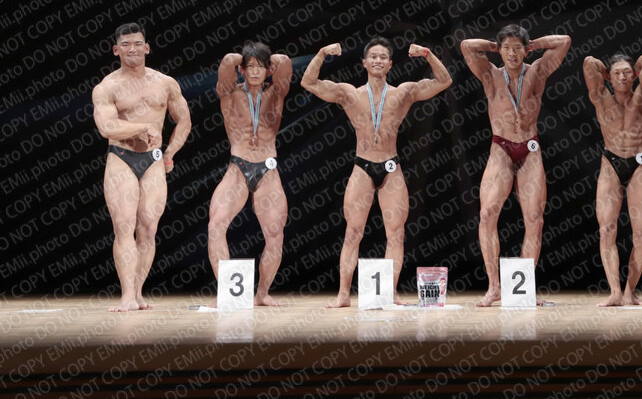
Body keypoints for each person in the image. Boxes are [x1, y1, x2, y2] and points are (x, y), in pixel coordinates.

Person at [301, 37, 452, 308]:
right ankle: (343, 295)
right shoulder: (349, 93)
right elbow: (308, 82)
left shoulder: (403, 92)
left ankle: (390, 293)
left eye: (383, 57)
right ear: (364, 63)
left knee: (396, 234)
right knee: (352, 232)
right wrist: (322, 53)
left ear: (390, 64)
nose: (378, 60)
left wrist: (428, 54)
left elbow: (444, 81)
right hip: (362, 166)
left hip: (391, 166)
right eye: (373, 56)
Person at [461, 25, 571, 307]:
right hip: (501, 147)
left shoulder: (537, 71)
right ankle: (494, 287)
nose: (512, 53)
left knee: (535, 220)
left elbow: (564, 41)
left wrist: (533, 43)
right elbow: (466, 46)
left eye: (517, 48)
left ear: (526, 50)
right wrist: (495, 46)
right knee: (487, 214)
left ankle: (524, 288)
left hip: (529, 147)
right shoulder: (490, 74)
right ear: (500, 50)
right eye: (507, 48)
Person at [92, 23, 191, 312]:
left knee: (148, 229)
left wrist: (170, 152)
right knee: (124, 226)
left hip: (154, 160)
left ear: (147, 47)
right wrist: (142, 127)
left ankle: (137, 293)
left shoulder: (165, 83)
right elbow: (106, 127)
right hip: (121, 158)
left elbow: (184, 120)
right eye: (125, 45)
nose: (132, 49)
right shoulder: (107, 87)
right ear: (116, 50)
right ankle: (126, 296)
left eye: (137, 43)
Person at [208, 42, 292, 307]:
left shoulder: (276, 92)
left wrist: (265, 59)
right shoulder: (229, 92)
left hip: (268, 169)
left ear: (269, 70)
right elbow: (226, 62)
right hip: (238, 166)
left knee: (276, 234)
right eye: (250, 67)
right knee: (215, 226)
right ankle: (227, 291)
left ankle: (262, 293)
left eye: (261, 67)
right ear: (242, 69)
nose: (255, 72)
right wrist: (242, 57)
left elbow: (285, 61)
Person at [583, 51, 642, 306]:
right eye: (617, 74)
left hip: (638, 163)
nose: (623, 77)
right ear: (609, 78)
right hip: (610, 163)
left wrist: (634, 68)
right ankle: (615, 291)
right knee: (606, 229)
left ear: (635, 75)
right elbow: (588, 63)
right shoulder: (602, 98)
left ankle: (629, 291)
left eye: (627, 72)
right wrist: (607, 72)